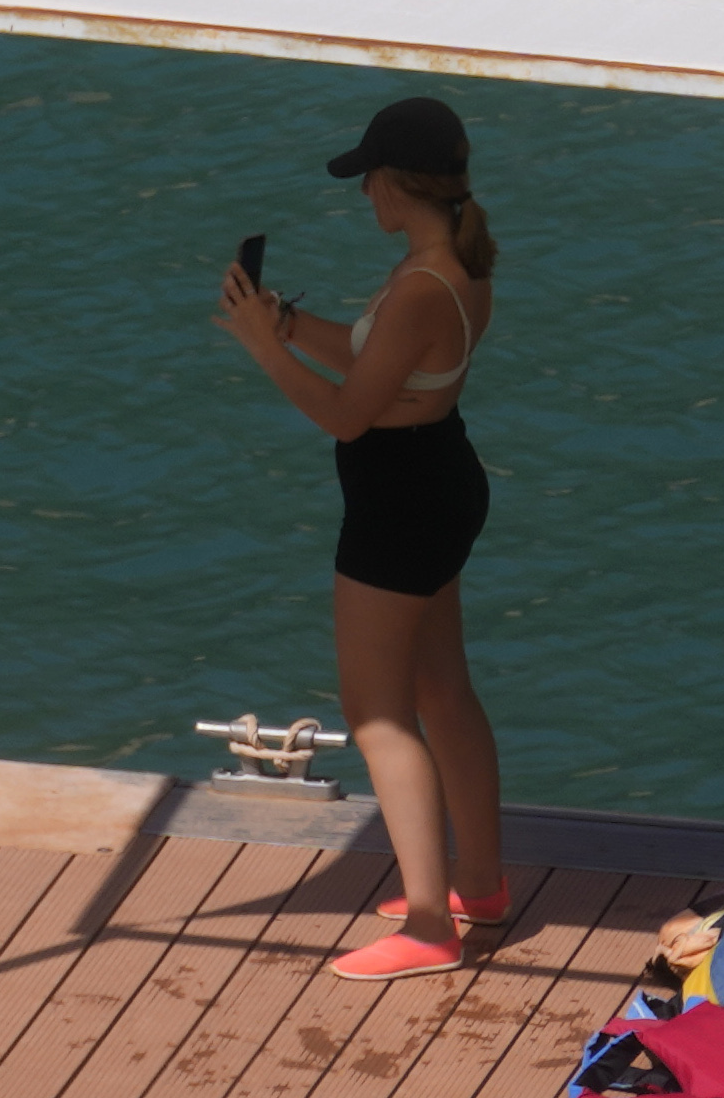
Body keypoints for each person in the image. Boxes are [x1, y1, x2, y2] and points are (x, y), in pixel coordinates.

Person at [218, 95, 512, 979]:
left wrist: (263, 353)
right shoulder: (448, 265)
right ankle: (480, 884)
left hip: (398, 502)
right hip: (437, 480)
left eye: (368, 180)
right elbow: (380, 363)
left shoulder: (423, 285)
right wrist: (290, 325)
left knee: (378, 712)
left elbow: (349, 417)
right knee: (442, 688)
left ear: (394, 182)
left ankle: (429, 929)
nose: (363, 197)